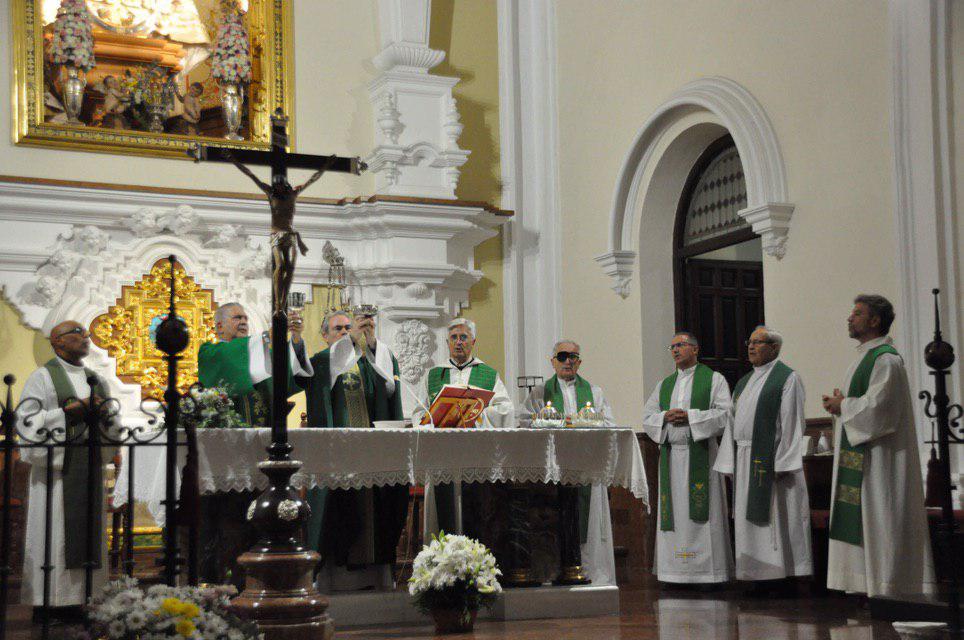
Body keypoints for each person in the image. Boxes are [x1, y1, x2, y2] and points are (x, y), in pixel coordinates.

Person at [821, 294, 936, 598]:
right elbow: (862, 405)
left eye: (857, 313)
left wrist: (843, 404)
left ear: (874, 320)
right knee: (865, 518)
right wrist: (842, 404)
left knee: (880, 516)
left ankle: (889, 588)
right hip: (863, 458)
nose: (850, 318)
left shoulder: (886, 358)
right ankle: (867, 586)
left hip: (880, 461)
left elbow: (880, 409)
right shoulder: (863, 357)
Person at [195, 302, 312, 588]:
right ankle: (226, 579)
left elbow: (287, 377)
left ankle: (267, 576)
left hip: (261, 453)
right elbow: (231, 367)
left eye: (246, 317)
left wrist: (291, 341)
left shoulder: (257, 357)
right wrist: (265, 339)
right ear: (219, 326)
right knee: (231, 521)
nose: (243, 322)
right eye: (237, 318)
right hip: (229, 457)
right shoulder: (211, 352)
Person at [298, 309, 408, 591]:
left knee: (376, 514)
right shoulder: (322, 363)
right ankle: (332, 580)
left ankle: (377, 578)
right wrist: (353, 343)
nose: (346, 333)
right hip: (337, 458)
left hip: (370, 456)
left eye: (349, 328)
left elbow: (389, 387)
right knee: (339, 516)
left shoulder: (370, 363)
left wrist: (371, 345)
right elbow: (326, 367)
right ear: (324, 336)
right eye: (338, 329)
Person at [18, 321, 110, 611]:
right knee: (54, 535)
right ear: (57, 341)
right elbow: (26, 423)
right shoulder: (42, 377)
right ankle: (50, 604)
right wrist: (67, 413)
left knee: (87, 536)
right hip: (55, 476)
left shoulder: (95, 378)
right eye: (77, 333)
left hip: (87, 468)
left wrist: (105, 416)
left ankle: (87, 601)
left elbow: (113, 426)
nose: (86, 337)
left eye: (86, 333)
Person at [714, 326, 812, 587]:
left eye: (759, 342)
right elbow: (732, 424)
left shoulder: (787, 378)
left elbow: (792, 422)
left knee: (775, 519)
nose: (751, 347)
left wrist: (784, 460)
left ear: (775, 348)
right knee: (749, 523)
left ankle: (780, 577)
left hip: (771, 459)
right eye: (750, 341)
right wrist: (728, 460)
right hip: (745, 458)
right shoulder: (745, 382)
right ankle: (753, 576)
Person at [520, 339, 617, 585]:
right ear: (552, 361)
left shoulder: (594, 392)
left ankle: (592, 573)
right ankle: (552, 572)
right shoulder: (540, 392)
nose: (568, 361)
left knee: (588, 523)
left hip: (586, 468)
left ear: (580, 362)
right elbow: (524, 423)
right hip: (553, 469)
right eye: (562, 356)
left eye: (573, 356)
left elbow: (609, 425)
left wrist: (585, 423)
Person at [641, 331, 733, 585]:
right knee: (675, 515)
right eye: (671, 347)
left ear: (695, 349)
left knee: (705, 514)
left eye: (680, 345)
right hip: (671, 457)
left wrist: (691, 417)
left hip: (702, 455)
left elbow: (725, 415)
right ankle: (674, 574)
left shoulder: (714, 380)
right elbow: (648, 418)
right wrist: (665, 417)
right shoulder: (664, 385)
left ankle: (708, 574)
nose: (675, 350)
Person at [412, 318, 515, 537]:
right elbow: (419, 412)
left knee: (478, 512)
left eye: (464, 337)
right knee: (443, 513)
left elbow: (506, 410)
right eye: (454, 338)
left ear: (473, 341)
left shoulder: (488, 374)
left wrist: (476, 414)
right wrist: (432, 421)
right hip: (442, 454)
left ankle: (475, 563)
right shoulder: (433, 375)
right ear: (447, 342)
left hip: (475, 453)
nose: (459, 342)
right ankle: (441, 562)